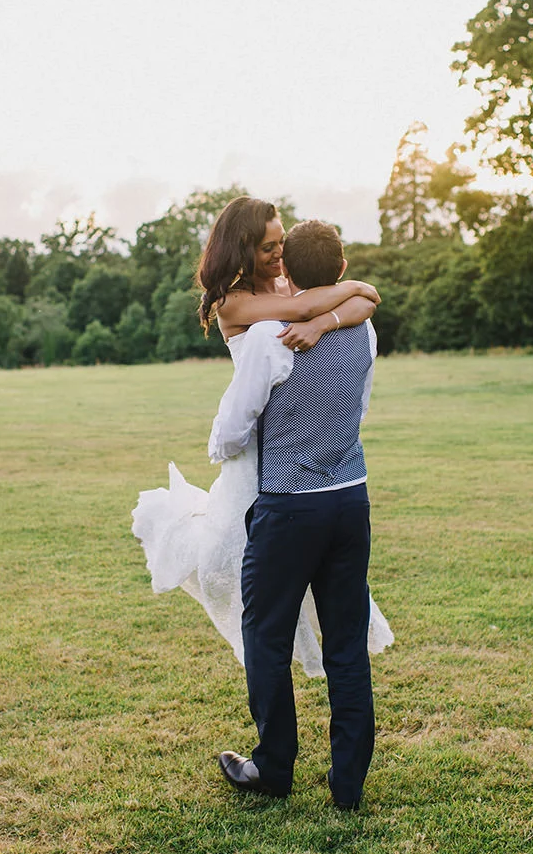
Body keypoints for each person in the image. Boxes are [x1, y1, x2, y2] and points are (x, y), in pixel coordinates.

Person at [131, 197, 393, 682]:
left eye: (281, 245)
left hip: (288, 452)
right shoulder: (235, 301)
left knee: (294, 583)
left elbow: (353, 302)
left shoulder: (280, 287)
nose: (278, 256)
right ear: (243, 248)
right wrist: (346, 290)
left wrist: (323, 321)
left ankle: (280, 728)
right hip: (260, 448)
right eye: (269, 248)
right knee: (242, 580)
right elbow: (320, 301)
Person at [209, 218, 381, 811]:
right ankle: (348, 783)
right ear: (337, 271)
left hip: (286, 505)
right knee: (346, 645)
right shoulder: (365, 332)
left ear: (289, 271)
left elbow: (232, 430)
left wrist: (228, 452)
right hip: (350, 499)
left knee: (266, 633)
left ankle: (274, 766)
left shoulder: (267, 338)